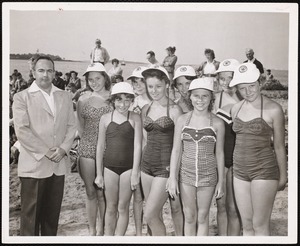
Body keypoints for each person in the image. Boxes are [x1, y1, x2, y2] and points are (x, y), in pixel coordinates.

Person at [12, 55, 77, 236]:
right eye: (41, 70)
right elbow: (22, 131)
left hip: (58, 165)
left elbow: (72, 126)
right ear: (33, 72)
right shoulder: (21, 97)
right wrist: (47, 152)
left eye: (49, 70)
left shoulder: (65, 96)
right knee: (30, 220)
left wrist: (63, 149)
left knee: (51, 220)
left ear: (54, 73)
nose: (45, 75)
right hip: (34, 165)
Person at [229, 63, 287, 236]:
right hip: (239, 172)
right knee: (246, 226)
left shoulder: (274, 109)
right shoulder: (235, 108)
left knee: (259, 225)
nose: (248, 92)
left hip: (264, 170)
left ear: (260, 82)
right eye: (242, 88)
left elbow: (278, 146)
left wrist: (283, 176)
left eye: (252, 86)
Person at [167, 78, 225, 236]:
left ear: (211, 98)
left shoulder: (218, 123)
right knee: (190, 216)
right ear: (190, 97)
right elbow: (176, 151)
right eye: (196, 96)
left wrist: (221, 181)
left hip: (208, 176)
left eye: (205, 96)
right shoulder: (182, 120)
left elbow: (219, 153)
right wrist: (172, 178)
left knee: (203, 216)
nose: (200, 100)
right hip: (186, 175)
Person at [140, 65, 183, 236]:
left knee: (149, 214)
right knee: (154, 214)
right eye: (150, 87)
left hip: (164, 168)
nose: (154, 90)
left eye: (158, 86)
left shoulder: (174, 110)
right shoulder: (146, 109)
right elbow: (144, 140)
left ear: (166, 84)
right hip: (146, 167)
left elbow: (178, 146)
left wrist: (173, 175)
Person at [95, 82, 142, 236]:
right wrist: (99, 174)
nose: (123, 104)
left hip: (128, 169)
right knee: (111, 207)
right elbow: (100, 147)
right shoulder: (105, 118)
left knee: (123, 207)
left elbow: (137, 146)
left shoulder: (135, 118)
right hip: (109, 168)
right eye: (119, 100)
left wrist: (135, 172)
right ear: (113, 100)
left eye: (127, 100)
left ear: (132, 101)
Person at [76, 63, 112, 236]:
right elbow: (80, 127)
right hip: (87, 149)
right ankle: (92, 231)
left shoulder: (114, 98)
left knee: (102, 193)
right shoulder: (83, 100)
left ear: (105, 77)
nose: (94, 82)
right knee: (90, 191)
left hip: (108, 150)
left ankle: (102, 230)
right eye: (90, 79)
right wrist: (84, 146)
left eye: (97, 78)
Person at [213, 59, 242, 236]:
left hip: (238, 159)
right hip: (221, 157)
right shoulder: (217, 98)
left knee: (233, 207)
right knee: (221, 205)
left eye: (229, 78)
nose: (225, 83)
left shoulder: (246, 98)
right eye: (222, 79)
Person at [127, 66, 151, 235]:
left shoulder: (152, 102)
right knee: (137, 197)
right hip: (131, 151)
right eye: (135, 81)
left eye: (141, 81)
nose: (138, 85)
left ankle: (150, 230)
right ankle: (138, 232)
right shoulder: (130, 102)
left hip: (148, 152)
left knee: (149, 197)